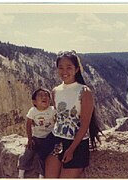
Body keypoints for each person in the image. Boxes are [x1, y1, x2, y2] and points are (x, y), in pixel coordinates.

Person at [43, 50, 101, 178]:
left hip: (77, 144)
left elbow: (85, 125)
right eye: (61, 68)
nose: (64, 71)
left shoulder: (84, 91)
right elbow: (58, 118)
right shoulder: (55, 91)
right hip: (57, 140)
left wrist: (71, 150)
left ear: (76, 69)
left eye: (69, 67)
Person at [18, 87, 56, 178]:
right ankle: (21, 172)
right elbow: (28, 125)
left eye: (47, 95)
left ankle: (41, 175)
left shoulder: (53, 110)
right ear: (34, 102)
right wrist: (30, 139)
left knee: (41, 156)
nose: (44, 97)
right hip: (36, 138)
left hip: (49, 139)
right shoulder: (33, 111)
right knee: (28, 153)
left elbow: (58, 121)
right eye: (41, 95)